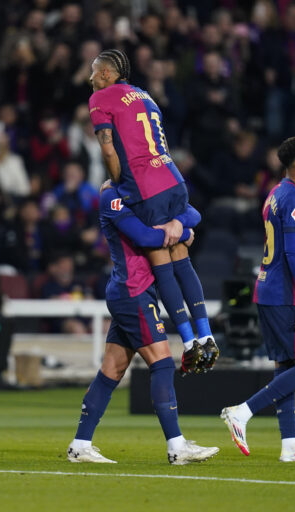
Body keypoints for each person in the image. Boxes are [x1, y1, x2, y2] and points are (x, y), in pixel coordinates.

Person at [67, 179, 218, 465]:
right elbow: (146, 238)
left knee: (112, 369)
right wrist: (183, 231)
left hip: (136, 291)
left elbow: (195, 213)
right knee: (161, 363)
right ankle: (176, 446)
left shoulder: (144, 189)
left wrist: (178, 223)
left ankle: (80, 444)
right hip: (132, 291)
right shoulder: (111, 195)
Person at [88, 48, 218, 375]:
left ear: (106, 74)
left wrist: (117, 184)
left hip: (146, 185)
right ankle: (207, 334)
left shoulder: (101, 98)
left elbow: (107, 147)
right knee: (181, 255)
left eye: (93, 71)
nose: (90, 78)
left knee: (160, 258)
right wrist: (183, 226)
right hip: (173, 177)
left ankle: (188, 342)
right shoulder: (144, 95)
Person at [221, 137, 295, 463]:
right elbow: (292, 252)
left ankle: (290, 445)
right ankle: (242, 412)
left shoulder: (273, 195)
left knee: (285, 366)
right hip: (286, 294)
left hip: (266, 289)